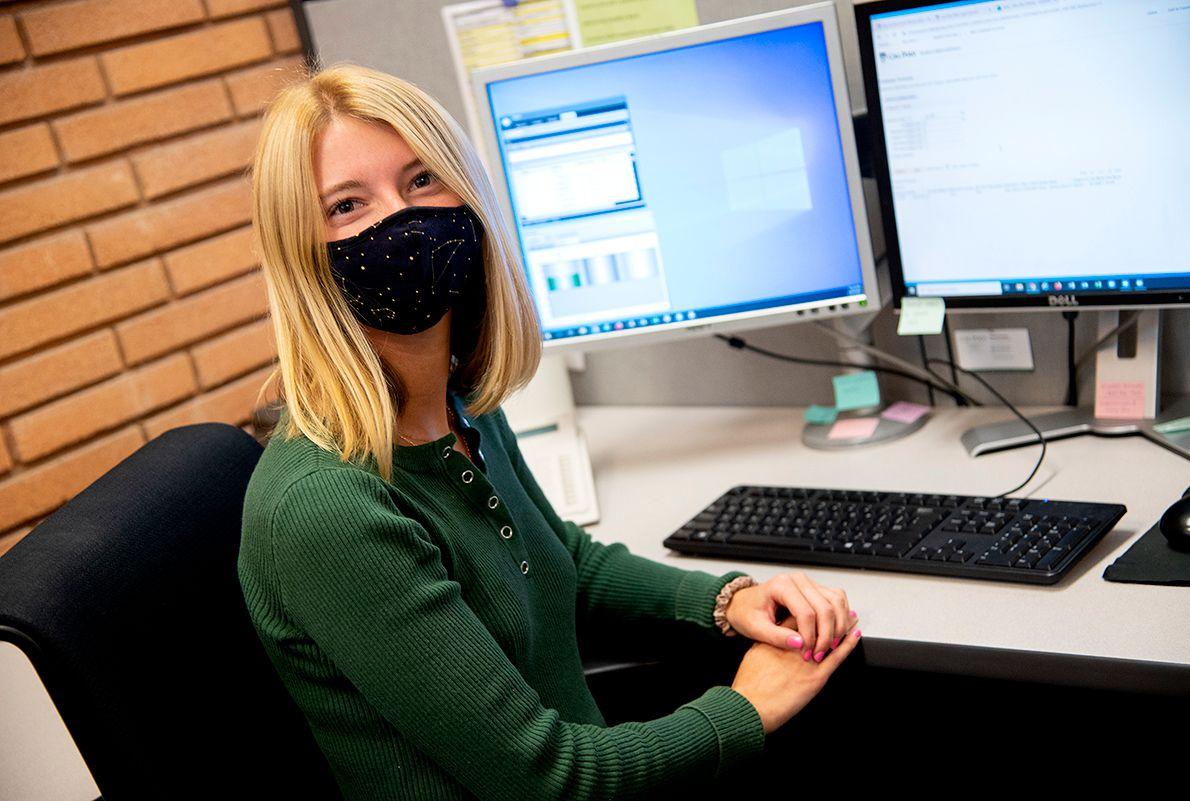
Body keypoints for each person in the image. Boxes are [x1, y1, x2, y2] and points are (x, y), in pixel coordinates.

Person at [237, 61, 862, 801]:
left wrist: (723, 600)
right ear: (301, 254)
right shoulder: (331, 508)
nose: (397, 221)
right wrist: (745, 707)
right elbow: (546, 778)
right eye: (346, 205)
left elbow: (556, 557)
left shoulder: (455, 399)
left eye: (420, 182)